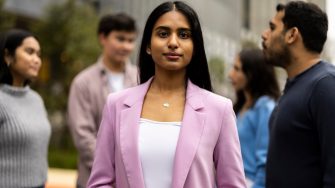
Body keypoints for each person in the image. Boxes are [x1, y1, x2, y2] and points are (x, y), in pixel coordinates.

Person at [87, 1, 246, 187]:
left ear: (195, 47)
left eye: (184, 35)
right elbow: (100, 182)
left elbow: (233, 184)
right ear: (148, 45)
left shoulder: (219, 109)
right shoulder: (116, 104)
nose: (173, 43)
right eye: (163, 34)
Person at [261, 1, 335, 187]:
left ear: (292, 35)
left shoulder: (325, 85)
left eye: (272, 28)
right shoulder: (297, 85)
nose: (264, 35)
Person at [67, 13, 138, 188]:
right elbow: (83, 136)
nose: (126, 46)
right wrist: (113, 171)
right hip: (95, 180)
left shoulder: (142, 79)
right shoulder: (83, 82)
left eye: (130, 40)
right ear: (103, 38)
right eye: (120, 39)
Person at [0, 29, 51, 187]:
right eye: (30, 52)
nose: (37, 60)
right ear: (8, 56)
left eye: (38, 54)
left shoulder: (36, 100)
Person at [228, 48, 280, 188]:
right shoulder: (241, 106)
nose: (230, 74)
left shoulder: (265, 108)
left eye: (237, 69)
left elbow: (265, 161)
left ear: (252, 74)